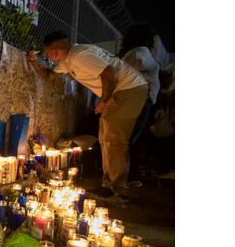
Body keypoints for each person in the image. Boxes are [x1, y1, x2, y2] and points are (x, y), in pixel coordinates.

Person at [27, 31, 148, 200]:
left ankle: (118, 189)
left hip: (128, 90)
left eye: (46, 52)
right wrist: (33, 62)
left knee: (115, 139)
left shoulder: (79, 56)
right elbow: (49, 75)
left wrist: (104, 101)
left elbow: (110, 74)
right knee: (105, 137)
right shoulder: (67, 60)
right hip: (119, 92)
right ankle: (108, 185)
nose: (45, 54)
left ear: (55, 51)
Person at [118, 24, 161, 186]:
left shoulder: (137, 52)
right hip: (138, 101)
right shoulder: (139, 53)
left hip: (141, 101)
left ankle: (126, 175)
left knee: (130, 139)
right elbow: (127, 76)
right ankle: (123, 176)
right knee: (128, 139)